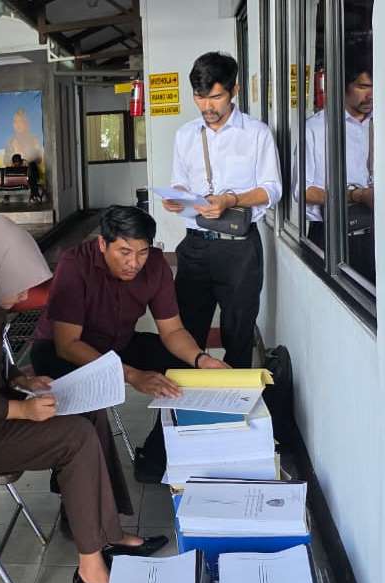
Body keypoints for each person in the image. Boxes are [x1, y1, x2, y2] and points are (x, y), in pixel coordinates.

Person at [0, 214, 166, 583]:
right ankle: (91, 571)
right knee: (74, 437)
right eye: (17, 287)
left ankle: (107, 532)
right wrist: (20, 408)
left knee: (90, 413)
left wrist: (21, 378)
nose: (21, 297)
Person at [31, 206, 228, 485]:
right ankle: (74, 485)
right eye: (124, 252)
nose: (134, 263)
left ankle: (155, 460)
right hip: (62, 351)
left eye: (142, 252)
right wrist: (132, 375)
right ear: (103, 244)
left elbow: (172, 330)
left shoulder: (155, 265)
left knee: (186, 368)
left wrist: (201, 360)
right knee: (85, 395)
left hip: (117, 343)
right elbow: (68, 344)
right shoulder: (74, 264)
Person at [161, 51, 282, 368]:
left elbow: (272, 189)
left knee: (238, 334)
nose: (207, 107)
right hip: (195, 247)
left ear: (234, 91)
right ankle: (189, 397)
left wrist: (230, 200)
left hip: (239, 249)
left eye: (215, 97)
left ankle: (235, 397)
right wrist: (176, 198)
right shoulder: (186, 135)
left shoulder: (256, 134)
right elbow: (180, 182)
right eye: (200, 97)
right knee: (187, 334)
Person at [303, 43, 375, 282]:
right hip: (332, 235)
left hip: (381, 235)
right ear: (342, 85)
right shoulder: (316, 129)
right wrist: (357, 195)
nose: (371, 95)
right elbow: (303, 191)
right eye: (362, 87)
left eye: (375, 86)